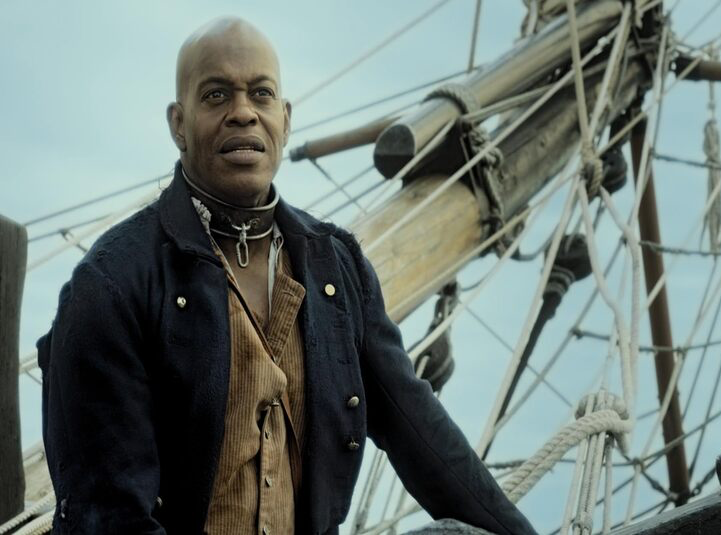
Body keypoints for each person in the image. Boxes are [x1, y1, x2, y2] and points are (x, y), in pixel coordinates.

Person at [38, 17, 537, 535]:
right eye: (216, 96)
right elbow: (109, 515)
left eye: (261, 94)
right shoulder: (113, 282)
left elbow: (421, 435)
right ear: (178, 124)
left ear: (285, 118)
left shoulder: (336, 266)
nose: (243, 113)